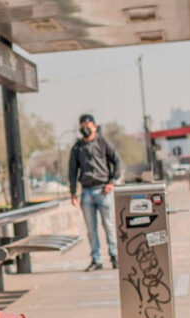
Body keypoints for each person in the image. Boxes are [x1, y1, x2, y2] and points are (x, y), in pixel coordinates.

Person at [69, 114, 122, 271]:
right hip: (86, 192)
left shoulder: (103, 143)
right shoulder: (77, 148)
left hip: (103, 189)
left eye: (88, 125)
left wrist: (112, 181)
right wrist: (73, 192)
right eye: (82, 126)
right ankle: (96, 259)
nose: (85, 128)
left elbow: (117, 161)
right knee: (91, 229)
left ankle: (115, 256)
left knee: (109, 225)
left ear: (95, 126)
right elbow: (72, 171)